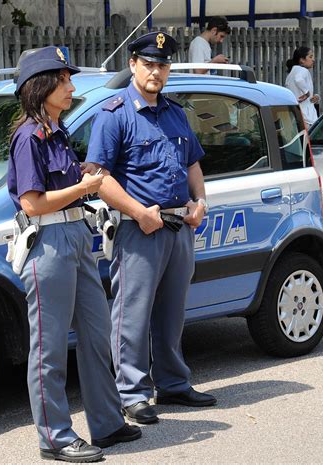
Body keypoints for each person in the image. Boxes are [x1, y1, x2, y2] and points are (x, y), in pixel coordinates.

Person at [7, 46, 141, 463]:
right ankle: (55, 437)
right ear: (41, 86)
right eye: (63, 80)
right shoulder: (29, 135)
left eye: (69, 79)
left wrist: (83, 178)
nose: (70, 86)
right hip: (48, 243)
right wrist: (86, 188)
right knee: (48, 348)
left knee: (97, 334)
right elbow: (33, 203)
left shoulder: (55, 129)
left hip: (77, 238)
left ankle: (106, 423)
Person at [84, 32, 217, 425]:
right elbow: (98, 177)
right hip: (138, 228)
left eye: (161, 65)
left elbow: (192, 162)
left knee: (172, 313)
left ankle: (174, 384)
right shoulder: (114, 114)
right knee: (132, 316)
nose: (155, 71)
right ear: (133, 66)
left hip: (180, 226)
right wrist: (139, 212)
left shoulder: (175, 112)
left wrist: (201, 202)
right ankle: (132, 393)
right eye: (148, 64)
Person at [285, 46, 319, 129]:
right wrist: (307, 93)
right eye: (310, 57)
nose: (313, 59)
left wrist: (315, 96)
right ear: (302, 60)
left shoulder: (291, 74)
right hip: (307, 118)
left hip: (296, 116)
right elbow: (299, 80)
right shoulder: (303, 70)